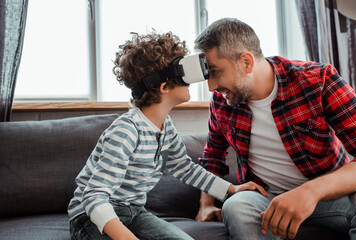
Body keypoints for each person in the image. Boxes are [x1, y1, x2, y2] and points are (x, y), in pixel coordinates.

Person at [67, 31, 268, 240]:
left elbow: (184, 167)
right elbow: (94, 196)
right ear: (164, 87)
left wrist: (231, 189)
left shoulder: (166, 127)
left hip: (134, 212)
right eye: (183, 75)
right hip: (90, 216)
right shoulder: (126, 131)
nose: (193, 82)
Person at [194, 17, 356, 240]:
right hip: (266, 200)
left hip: (327, 197)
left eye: (215, 72)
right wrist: (206, 204)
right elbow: (212, 156)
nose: (212, 86)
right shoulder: (222, 101)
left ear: (246, 62)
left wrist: (309, 192)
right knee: (236, 206)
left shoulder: (317, 81)